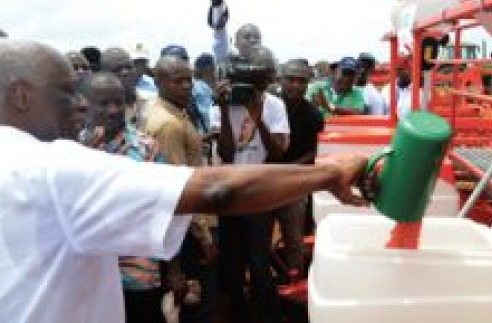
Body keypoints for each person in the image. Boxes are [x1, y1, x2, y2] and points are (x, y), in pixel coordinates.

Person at [0, 40, 367, 323]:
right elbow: (216, 189)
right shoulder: (54, 166)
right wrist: (331, 173)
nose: (81, 104)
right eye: (68, 91)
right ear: (21, 95)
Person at [211, 45, 289, 323]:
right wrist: (222, 108)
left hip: (260, 193)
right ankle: (239, 314)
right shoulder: (225, 105)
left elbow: (278, 154)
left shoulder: (275, 105)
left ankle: (268, 316)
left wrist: (258, 118)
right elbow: (227, 154)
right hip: (231, 193)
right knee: (231, 264)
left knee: (258, 264)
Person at [81, 73, 166, 323]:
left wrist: (173, 268)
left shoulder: (146, 148)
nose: (114, 110)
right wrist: (84, 156)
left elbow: (165, 209)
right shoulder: (67, 149)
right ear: (84, 103)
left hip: (137, 274)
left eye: (119, 102)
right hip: (88, 275)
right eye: (104, 103)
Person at [141, 54, 217, 323]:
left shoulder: (168, 111)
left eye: (189, 80)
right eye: (178, 81)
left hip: (181, 228)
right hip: (185, 231)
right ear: (159, 81)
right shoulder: (168, 124)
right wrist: (204, 234)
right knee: (195, 301)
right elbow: (179, 190)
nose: (186, 86)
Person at [277, 59, 324, 280]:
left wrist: (288, 170)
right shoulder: (267, 105)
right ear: (280, 80)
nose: (296, 85)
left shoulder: (312, 114)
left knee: (295, 239)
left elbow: (314, 153)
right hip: (261, 179)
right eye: (291, 79)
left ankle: (295, 280)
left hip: (295, 182)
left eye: (301, 81)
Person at [100, 47, 141, 124]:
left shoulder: (151, 101)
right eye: (117, 69)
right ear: (103, 75)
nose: (125, 72)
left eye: (128, 67)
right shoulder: (99, 112)